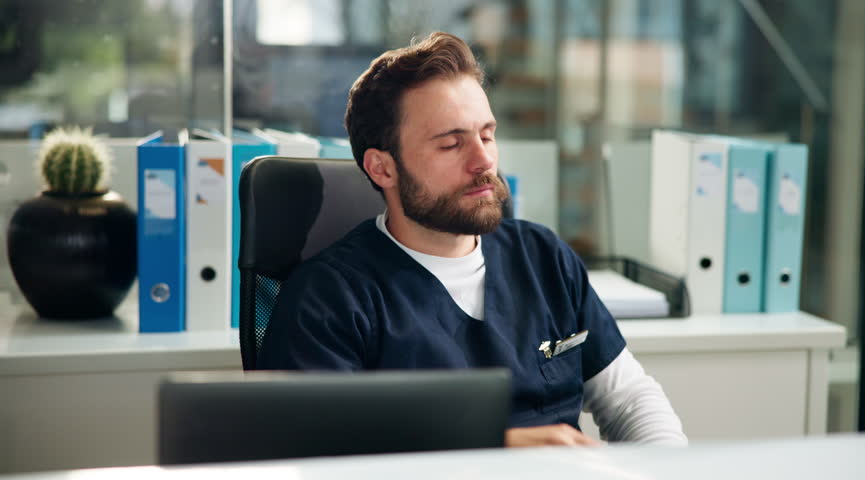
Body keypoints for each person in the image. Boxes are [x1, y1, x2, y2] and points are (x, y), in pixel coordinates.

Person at [258, 32, 687, 447]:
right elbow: (321, 454)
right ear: (382, 169)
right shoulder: (329, 298)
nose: (484, 161)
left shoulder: (544, 257)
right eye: (450, 144)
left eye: (487, 134)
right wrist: (498, 449)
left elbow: (630, 400)